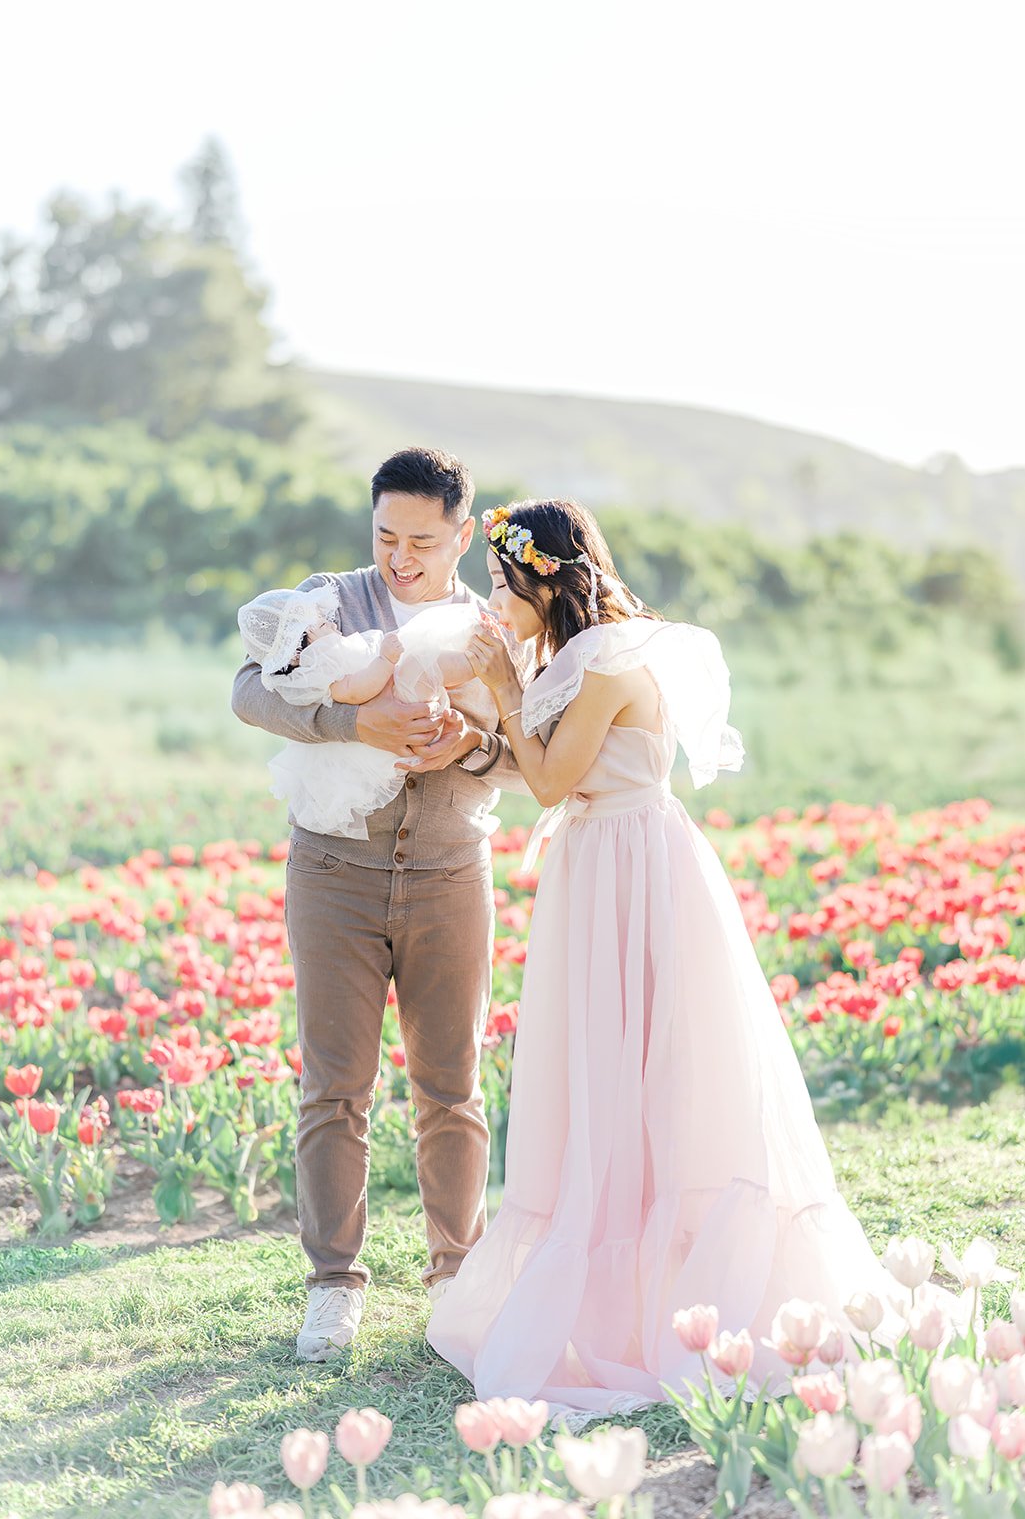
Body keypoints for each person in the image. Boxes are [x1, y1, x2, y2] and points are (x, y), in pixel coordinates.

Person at [426, 497, 903, 1418]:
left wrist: (501, 684)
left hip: (635, 869)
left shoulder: (609, 659)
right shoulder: (567, 657)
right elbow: (544, 766)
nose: (494, 602)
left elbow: (552, 781)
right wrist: (482, 725)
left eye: (504, 585)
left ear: (549, 582)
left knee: (657, 1063)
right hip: (595, 864)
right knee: (599, 1067)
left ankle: (674, 1291)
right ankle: (611, 1276)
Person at [231, 448, 525, 1362]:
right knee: (334, 1088)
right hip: (333, 873)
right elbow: (249, 691)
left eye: (422, 542)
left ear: (462, 536)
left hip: (450, 873)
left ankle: (456, 1279)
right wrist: (351, 721)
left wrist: (468, 745)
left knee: (452, 1086)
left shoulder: (493, 625)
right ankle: (333, 1288)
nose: (399, 557)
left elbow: (530, 754)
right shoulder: (326, 601)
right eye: (385, 535)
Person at [237, 585, 482, 838]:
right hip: (401, 717)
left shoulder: (331, 653)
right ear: (299, 652)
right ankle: (476, 662)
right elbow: (355, 691)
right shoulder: (320, 670)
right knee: (418, 663)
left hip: (408, 707)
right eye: (322, 625)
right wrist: (386, 661)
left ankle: (474, 658)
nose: (333, 625)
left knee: (424, 658)